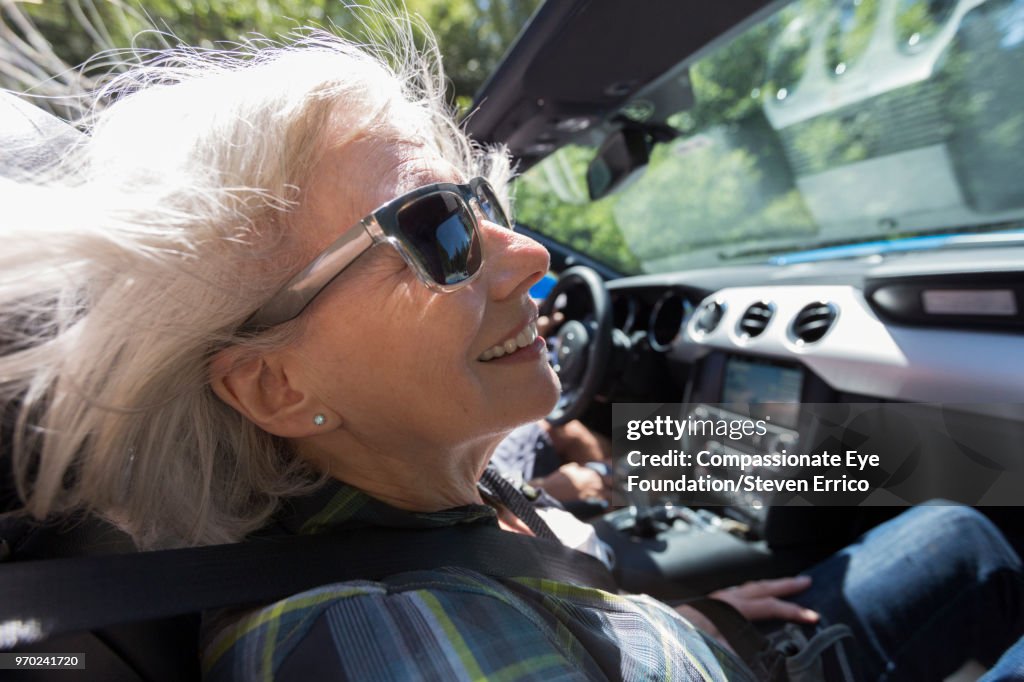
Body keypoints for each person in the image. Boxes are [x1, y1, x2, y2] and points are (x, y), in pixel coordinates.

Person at [1, 20, 1022, 682]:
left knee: (958, 529)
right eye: (436, 230)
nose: (530, 253)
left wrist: (692, 620)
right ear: (273, 382)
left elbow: (538, 564)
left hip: (713, 640)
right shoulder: (389, 645)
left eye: (481, 204)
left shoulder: (412, 494)